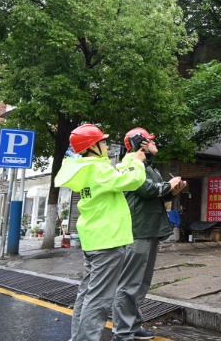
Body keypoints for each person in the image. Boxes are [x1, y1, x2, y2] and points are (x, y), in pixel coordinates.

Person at [55, 124, 146, 341]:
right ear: (93, 147)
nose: (106, 145)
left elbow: (117, 174)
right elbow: (132, 179)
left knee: (87, 294)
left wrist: (131, 158)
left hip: (94, 239)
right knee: (99, 299)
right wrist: (138, 163)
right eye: (103, 142)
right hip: (108, 240)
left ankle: (78, 338)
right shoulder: (98, 169)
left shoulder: (86, 168)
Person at [112, 128, 186, 341]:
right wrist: (167, 185)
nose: (156, 143)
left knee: (142, 283)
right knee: (129, 283)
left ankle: (132, 326)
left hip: (150, 228)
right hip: (137, 229)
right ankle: (122, 332)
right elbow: (144, 189)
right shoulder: (129, 162)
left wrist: (171, 191)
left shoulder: (147, 165)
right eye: (152, 140)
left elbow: (154, 196)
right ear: (140, 142)